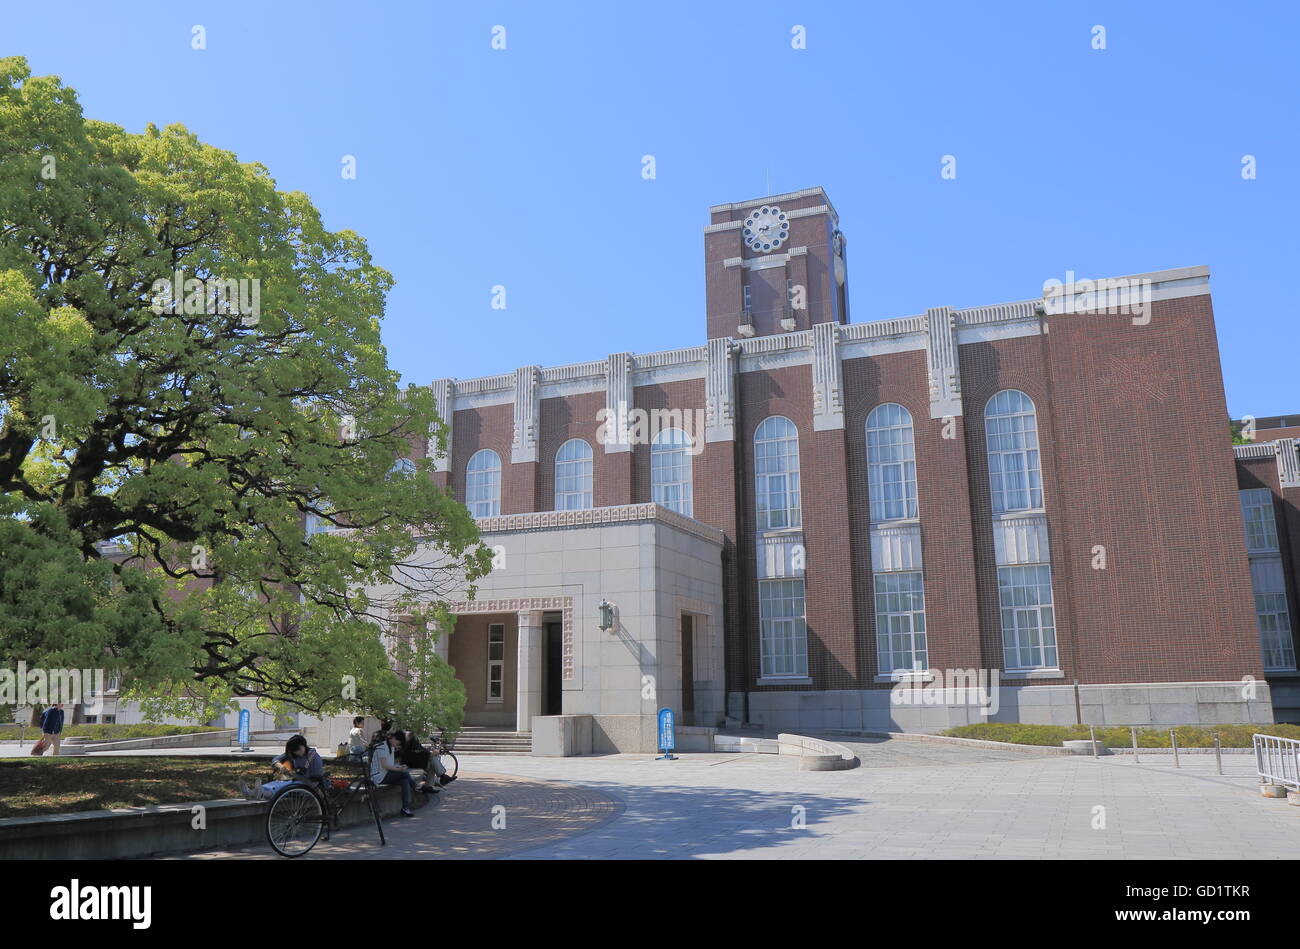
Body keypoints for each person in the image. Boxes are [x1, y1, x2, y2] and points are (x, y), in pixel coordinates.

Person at [370, 729, 417, 816]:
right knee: (404, 773)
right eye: (398, 742)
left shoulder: (390, 746)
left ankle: (405, 808)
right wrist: (399, 770)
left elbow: (390, 765)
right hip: (378, 776)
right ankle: (416, 787)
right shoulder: (382, 747)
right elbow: (385, 765)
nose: (397, 745)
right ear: (394, 738)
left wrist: (399, 767)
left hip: (385, 774)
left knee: (405, 781)